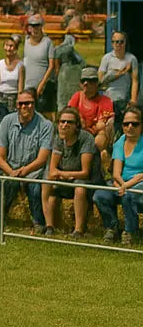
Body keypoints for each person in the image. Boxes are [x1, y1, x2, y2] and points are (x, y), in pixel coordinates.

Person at [0, 89, 53, 230]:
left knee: (36, 186)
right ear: (17, 105)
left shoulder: (46, 125)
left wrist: (24, 171)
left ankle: (38, 222)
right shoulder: (7, 121)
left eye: (29, 103)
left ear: (34, 104)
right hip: (9, 167)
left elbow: (42, 158)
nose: (26, 106)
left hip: (33, 170)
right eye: (22, 103)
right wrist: (11, 172)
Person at [42, 106, 98, 238]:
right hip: (66, 177)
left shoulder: (86, 138)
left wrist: (63, 174)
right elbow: (52, 170)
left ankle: (78, 230)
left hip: (86, 179)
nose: (64, 125)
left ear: (77, 126)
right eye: (61, 122)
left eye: (69, 122)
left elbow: (85, 172)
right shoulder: (58, 138)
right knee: (46, 183)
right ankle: (49, 226)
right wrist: (60, 175)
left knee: (79, 189)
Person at [95, 105, 143, 244]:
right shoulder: (120, 142)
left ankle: (130, 232)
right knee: (99, 195)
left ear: (141, 125)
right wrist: (120, 184)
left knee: (128, 196)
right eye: (126, 124)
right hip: (123, 182)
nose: (130, 127)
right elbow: (116, 173)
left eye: (134, 124)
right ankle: (112, 227)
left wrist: (125, 186)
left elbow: (141, 175)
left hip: (138, 183)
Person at [69, 66, 116, 152]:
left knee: (101, 136)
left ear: (96, 83)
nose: (86, 83)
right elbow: (69, 114)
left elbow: (102, 125)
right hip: (78, 131)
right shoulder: (77, 96)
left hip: (97, 134)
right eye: (83, 81)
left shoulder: (106, 101)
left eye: (90, 80)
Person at [98, 31, 138, 109]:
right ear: (112, 43)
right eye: (115, 42)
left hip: (125, 99)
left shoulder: (132, 59)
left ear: (125, 43)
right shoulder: (107, 58)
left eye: (121, 42)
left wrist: (133, 100)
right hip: (108, 99)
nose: (118, 44)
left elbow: (135, 81)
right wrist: (120, 73)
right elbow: (100, 80)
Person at [0, 37, 24, 125]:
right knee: (2, 122)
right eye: (7, 45)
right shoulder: (0, 64)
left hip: (14, 97)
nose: (8, 48)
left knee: (13, 122)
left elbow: (20, 86)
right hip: (1, 97)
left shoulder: (20, 65)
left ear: (15, 48)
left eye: (11, 46)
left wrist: (19, 100)